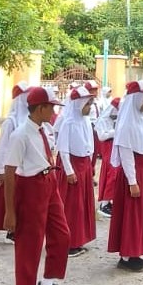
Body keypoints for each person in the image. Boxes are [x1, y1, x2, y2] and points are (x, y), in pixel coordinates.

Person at [4, 86, 71, 285]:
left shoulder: (46, 130)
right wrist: (10, 211)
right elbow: (9, 171)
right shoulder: (20, 135)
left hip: (49, 181)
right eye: (51, 107)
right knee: (29, 245)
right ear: (40, 108)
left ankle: (47, 282)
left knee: (62, 235)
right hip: (30, 186)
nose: (54, 112)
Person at [107, 80, 143, 272]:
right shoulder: (127, 124)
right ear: (137, 100)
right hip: (133, 175)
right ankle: (126, 257)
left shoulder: (142, 120)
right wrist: (133, 181)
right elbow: (126, 154)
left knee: (141, 215)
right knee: (131, 215)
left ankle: (136, 251)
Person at [55, 86, 96, 258]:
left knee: (82, 205)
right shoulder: (68, 123)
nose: (89, 107)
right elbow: (63, 149)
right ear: (79, 104)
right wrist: (69, 171)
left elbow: (89, 144)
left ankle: (79, 238)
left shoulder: (85, 121)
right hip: (73, 166)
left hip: (84, 165)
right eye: (87, 104)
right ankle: (69, 243)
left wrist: (90, 165)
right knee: (72, 206)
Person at [0, 81, 30, 243]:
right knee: (13, 198)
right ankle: (11, 231)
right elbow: (3, 147)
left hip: (25, 166)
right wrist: (0, 170)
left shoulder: (29, 120)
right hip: (12, 167)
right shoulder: (11, 122)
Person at [95, 97, 120, 218]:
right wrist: (114, 132)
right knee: (111, 175)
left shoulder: (114, 119)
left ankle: (109, 201)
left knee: (113, 175)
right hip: (107, 147)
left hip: (114, 147)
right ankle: (104, 204)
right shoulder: (103, 120)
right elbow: (101, 136)